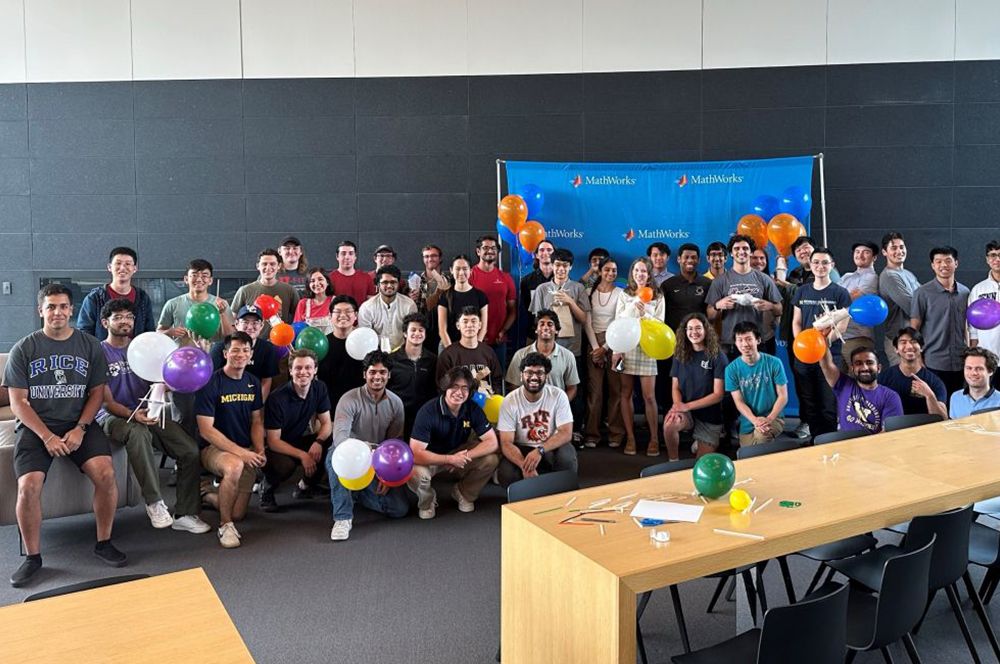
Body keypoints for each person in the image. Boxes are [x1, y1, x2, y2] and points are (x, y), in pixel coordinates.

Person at [4, 284, 125, 586]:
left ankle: (104, 542)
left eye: (62, 306)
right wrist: (47, 437)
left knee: (106, 474)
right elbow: (19, 402)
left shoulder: (89, 345)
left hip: (78, 423)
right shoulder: (25, 348)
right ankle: (33, 558)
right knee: (28, 486)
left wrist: (81, 428)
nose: (57, 312)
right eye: (51, 307)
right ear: (40, 311)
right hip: (37, 428)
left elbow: (97, 394)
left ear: (72, 310)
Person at [98, 300, 209, 534]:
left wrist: (173, 383)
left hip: (149, 411)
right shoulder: (98, 352)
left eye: (129, 316)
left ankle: (185, 513)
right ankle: (154, 501)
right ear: (105, 322)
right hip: (113, 416)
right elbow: (106, 402)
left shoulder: (144, 346)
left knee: (189, 450)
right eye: (118, 317)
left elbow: (160, 381)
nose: (125, 321)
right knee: (137, 433)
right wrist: (132, 414)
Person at [326, 350, 408, 541]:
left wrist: (387, 476)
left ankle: (357, 493)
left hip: (377, 460)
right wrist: (365, 449)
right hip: (348, 455)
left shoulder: (396, 403)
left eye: (382, 372)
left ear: (389, 375)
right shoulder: (349, 399)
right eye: (372, 372)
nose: (377, 377)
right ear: (364, 374)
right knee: (333, 458)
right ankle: (342, 517)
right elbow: (340, 439)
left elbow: (395, 444)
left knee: (399, 509)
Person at [196, 332, 266, 549]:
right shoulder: (211, 383)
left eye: (245, 350)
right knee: (235, 465)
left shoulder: (253, 382)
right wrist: (242, 453)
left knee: (239, 512)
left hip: (244, 448)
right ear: (226, 353)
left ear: (251, 354)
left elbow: (256, 421)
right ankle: (225, 525)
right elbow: (206, 430)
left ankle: (206, 493)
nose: (240, 354)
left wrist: (259, 449)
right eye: (235, 350)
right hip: (214, 448)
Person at [408, 366, 500, 519]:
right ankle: (428, 500)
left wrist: (463, 456)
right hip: (429, 457)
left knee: (491, 459)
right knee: (417, 475)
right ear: (445, 387)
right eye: (454, 386)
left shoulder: (472, 408)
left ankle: (463, 492)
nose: (459, 392)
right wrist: (449, 459)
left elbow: (492, 442)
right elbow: (416, 453)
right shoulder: (428, 411)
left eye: (465, 388)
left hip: (459, 452)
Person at [259, 349, 333, 511]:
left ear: (315, 370)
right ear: (291, 371)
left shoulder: (319, 388)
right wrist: (303, 455)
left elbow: (327, 423)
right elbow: (273, 441)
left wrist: (318, 442)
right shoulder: (277, 398)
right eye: (298, 368)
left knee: (329, 440)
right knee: (285, 466)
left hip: (297, 439)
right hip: (275, 447)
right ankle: (267, 490)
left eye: (308, 367)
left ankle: (305, 487)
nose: (303, 372)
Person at [791, 247, 852, 439]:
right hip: (804, 357)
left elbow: (842, 327)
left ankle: (829, 441)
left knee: (828, 402)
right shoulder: (802, 292)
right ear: (810, 264)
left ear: (832, 265)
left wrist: (821, 343)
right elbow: (797, 322)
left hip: (829, 356)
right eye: (816, 262)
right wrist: (801, 344)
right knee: (809, 402)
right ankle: (815, 441)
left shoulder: (840, 293)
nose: (820, 266)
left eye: (825, 262)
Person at [496, 352, 576, 487]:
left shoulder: (558, 395)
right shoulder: (509, 400)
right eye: (529, 373)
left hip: (549, 446)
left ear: (546, 376)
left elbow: (566, 433)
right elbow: (506, 442)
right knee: (506, 473)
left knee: (567, 457)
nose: (534, 377)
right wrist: (525, 466)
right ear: (521, 376)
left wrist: (540, 450)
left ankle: (560, 491)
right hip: (522, 447)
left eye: (539, 373)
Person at [612, 257, 664, 457]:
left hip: (648, 348)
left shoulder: (658, 296)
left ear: (649, 274)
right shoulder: (625, 294)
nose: (640, 274)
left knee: (649, 396)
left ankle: (654, 438)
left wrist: (645, 314)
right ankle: (631, 438)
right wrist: (617, 349)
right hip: (626, 346)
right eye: (636, 271)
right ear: (632, 273)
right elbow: (619, 320)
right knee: (625, 393)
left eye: (643, 271)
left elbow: (661, 323)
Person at [663, 313, 727, 460]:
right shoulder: (680, 354)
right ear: (685, 332)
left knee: (701, 463)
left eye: (698, 328)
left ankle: (701, 440)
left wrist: (687, 406)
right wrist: (678, 405)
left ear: (706, 330)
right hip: (687, 411)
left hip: (709, 416)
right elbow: (675, 387)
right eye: (690, 329)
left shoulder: (717, 356)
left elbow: (718, 395)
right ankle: (673, 461)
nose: (694, 332)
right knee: (669, 425)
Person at [706, 235, 783, 357]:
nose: (741, 252)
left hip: (757, 342)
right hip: (730, 343)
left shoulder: (764, 279)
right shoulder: (719, 281)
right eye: (737, 249)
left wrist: (770, 306)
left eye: (745, 248)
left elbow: (779, 309)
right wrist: (718, 305)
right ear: (731, 253)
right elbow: (710, 315)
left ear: (751, 252)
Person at [911, 246, 970, 395]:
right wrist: (918, 359)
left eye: (948, 261)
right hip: (933, 362)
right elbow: (914, 329)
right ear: (933, 265)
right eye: (938, 261)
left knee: (957, 406)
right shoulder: (922, 293)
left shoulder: (965, 292)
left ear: (956, 263)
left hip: (961, 362)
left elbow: (967, 327)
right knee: (936, 408)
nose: (944, 265)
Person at [816, 333, 903, 433]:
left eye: (869, 362)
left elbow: (888, 433)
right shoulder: (843, 385)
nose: (864, 367)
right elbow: (826, 364)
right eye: (859, 363)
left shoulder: (890, 396)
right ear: (852, 369)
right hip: (845, 445)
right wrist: (822, 338)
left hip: (873, 446)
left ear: (879, 368)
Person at [660, 242, 711, 412]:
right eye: (686, 257)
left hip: (698, 343)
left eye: (694, 257)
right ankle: (672, 415)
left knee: (697, 380)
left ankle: (696, 418)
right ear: (679, 260)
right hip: (672, 343)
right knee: (671, 381)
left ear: (698, 260)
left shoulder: (706, 283)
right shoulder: (668, 284)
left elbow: (710, 314)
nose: (690, 260)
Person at [583, 257, 625, 448]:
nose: (611, 273)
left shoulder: (621, 294)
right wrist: (595, 349)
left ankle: (616, 433)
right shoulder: (588, 292)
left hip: (615, 345)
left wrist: (605, 348)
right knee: (595, 392)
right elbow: (587, 322)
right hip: (593, 344)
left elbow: (619, 322)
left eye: (614, 270)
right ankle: (592, 434)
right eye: (607, 270)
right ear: (599, 272)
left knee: (616, 391)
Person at [725, 321, 788, 447]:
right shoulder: (731, 369)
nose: (745, 344)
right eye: (740, 340)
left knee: (761, 439)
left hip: (774, 417)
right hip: (748, 421)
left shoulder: (774, 363)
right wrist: (755, 421)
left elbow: (783, 396)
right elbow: (739, 402)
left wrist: (768, 419)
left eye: (749, 339)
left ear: (758, 340)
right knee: (746, 454)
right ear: (736, 343)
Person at [77, 246, 156, 341]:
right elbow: (84, 331)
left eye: (128, 264)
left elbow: (149, 331)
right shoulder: (95, 297)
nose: (122, 268)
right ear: (109, 267)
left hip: (134, 353)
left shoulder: (143, 297)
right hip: (101, 353)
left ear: (135, 268)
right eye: (118, 263)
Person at [210, 306, 280, 400]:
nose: (250, 327)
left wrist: (258, 405)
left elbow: (266, 380)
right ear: (236, 324)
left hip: (254, 398)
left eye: (255, 323)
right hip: (224, 399)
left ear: (262, 326)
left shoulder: (268, 349)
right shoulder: (219, 348)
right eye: (245, 322)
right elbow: (212, 381)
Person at [157, 258, 234, 344]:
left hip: (212, 355)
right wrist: (169, 332)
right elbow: (158, 332)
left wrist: (222, 313)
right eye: (194, 275)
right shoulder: (173, 304)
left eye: (204, 276)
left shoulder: (221, 304)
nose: (199, 279)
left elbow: (231, 337)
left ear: (210, 280)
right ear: (186, 279)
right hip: (182, 355)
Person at [877, 327, 949, 418]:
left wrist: (929, 395)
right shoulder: (883, 378)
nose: (909, 346)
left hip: (924, 430)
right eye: (903, 342)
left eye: (914, 342)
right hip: (894, 430)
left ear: (921, 348)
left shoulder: (934, 381)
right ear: (896, 349)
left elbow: (943, 418)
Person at [386, 313, 438, 438]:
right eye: (413, 330)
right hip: (397, 416)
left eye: (421, 330)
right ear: (405, 333)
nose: (417, 334)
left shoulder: (433, 360)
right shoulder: (391, 360)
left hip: (424, 417)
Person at [469, 235, 517, 369]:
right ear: (478, 251)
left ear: (497, 252)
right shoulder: (469, 276)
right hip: (475, 341)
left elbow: (512, 311)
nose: (490, 250)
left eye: (493, 248)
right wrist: (475, 334)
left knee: (497, 380)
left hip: (498, 341)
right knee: (476, 380)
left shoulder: (506, 278)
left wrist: (503, 331)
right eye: (485, 248)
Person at [507, 310, 580, 397]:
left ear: (556, 330)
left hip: (556, 407)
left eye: (550, 324)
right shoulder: (520, 355)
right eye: (541, 324)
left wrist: (561, 405)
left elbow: (572, 387)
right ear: (536, 330)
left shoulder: (568, 356)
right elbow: (513, 385)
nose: (545, 327)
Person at [231, 249, 300, 337]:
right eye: (264, 264)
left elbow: (298, 320)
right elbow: (232, 320)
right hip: (251, 345)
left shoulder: (290, 290)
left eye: (272, 264)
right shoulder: (244, 291)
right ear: (258, 266)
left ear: (279, 266)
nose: (268, 268)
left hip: (280, 344)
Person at [436, 306, 504, 394]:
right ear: (458, 325)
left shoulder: (488, 352)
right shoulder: (448, 355)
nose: (469, 325)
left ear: (480, 325)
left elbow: (497, 381)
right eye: (465, 321)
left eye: (473, 321)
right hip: (458, 403)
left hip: (484, 403)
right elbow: (442, 385)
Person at [879, 232, 921, 365]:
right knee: (903, 383)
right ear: (884, 252)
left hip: (913, 339)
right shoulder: (889, 276)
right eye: (894, 248)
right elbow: (912, 307)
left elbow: (924, 298)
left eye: (902, 247)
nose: (899, 251)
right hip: (898, 342)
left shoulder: (908, 274)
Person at [836, 241, 880, 368]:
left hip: (857, 338)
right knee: (840, 383)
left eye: (866, 252)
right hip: (839, 336)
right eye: (857, 252)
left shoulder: (871, 278)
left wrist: (836, 298)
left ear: (874, 257)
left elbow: (850, 297)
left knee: (861, 379)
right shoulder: (847, 276)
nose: (860, 255)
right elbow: (836, 296)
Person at [317, 295, 365, 408]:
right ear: (330, 316)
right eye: (337, 312)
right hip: (328, 406)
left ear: (356, 315)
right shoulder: (322, 344)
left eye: (348, 311)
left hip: (359, 405)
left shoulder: (366, 343)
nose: (343, 315)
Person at [358, 265, 417, 352]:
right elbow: (365, 337)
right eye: (385, 282)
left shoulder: (409, 305)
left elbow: (413, 333)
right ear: (378, 284)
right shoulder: (367, 307)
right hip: (375, 353)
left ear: (398, 283)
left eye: (393, 282)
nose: (389, 286)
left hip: (403, 353)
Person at [438, 254, 489, 349]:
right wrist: (452, 351)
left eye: (465, 269)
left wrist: (474, 348)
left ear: (471, 271)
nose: (461, 273)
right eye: (457, 269)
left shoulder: (480, 296)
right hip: (448, 345)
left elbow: (483, 328)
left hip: (474, 346)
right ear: (451, 271)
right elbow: (442, 330)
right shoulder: (445, 296)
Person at [969, 240, 1000, 387]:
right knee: (989, 407)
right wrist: (974, 354)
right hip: (988, 359)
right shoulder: (978, 290)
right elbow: (972, 328)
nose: (997, 259)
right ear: (987, 259)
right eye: (993, 255)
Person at [412, 244, 450, 351]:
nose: (430, 259)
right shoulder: (416, 281)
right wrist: (411, 298)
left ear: (440, 258)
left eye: (434, 256)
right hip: (423, 330)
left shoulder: (450, 280)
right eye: (426, 256)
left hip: (446, 328)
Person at [518, 239, 555, 342]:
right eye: (542, 250)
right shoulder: (526, 281)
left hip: (558, 333)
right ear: (536, 255)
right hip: (534, 333)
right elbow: (525, 310)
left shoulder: (561, 279)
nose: (545, 253)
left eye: (549, 250)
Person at [950, 347, 1000, 418]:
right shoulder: (955, 397)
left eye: (979, 369)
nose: (973, 373)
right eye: (969, 368)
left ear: (990, 371)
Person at [748, 247, 778, 355]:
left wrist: (771, 307)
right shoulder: (739, 280)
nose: (759, 261)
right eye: (755, 258)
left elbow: (779, 308)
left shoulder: (772, 281)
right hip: (746, 336)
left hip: (767, 337)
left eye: (762, 258)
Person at [330, 240, 376, 305]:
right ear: (337, 256)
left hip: (362, 315)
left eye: (351, 253)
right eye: (343, 253)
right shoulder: (330, 279)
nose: (347, 257)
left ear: (355, 256)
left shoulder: (366, 278)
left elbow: (371, 304)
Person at [293, 267, 335, 335]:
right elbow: (296, 330)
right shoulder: (303, 303)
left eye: (320, 279)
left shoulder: (335, 302)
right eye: (312, 281)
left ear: (327, 282)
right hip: (307, 345)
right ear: (309, 285)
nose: (317, 283)